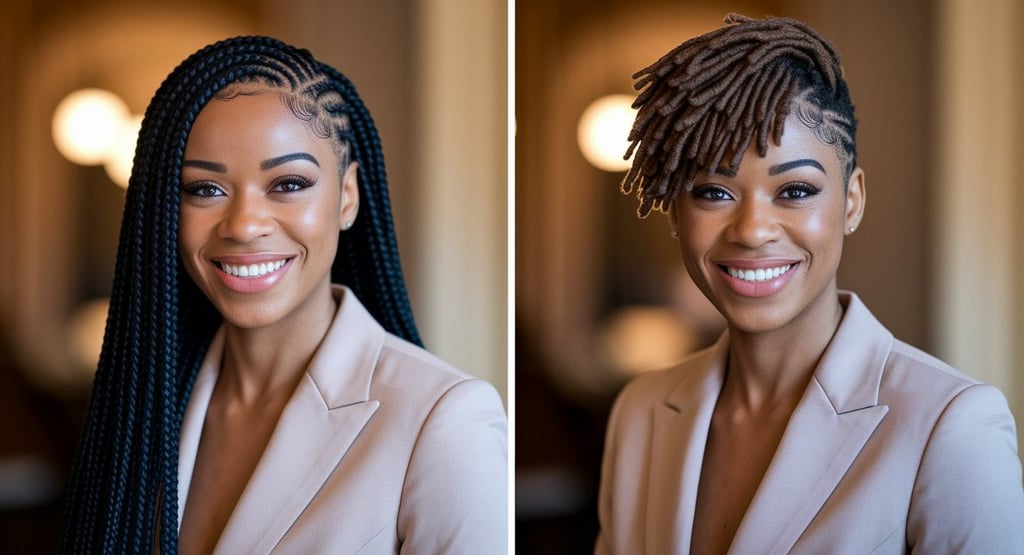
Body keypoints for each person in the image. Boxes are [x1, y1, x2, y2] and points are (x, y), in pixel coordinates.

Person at [596, 14, 1024, 554]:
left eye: (795, 191)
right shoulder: (639, 412)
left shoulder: (952, 426)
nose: (752, 230)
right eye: (714, 192)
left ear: (852, 202)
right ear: (674, 214)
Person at [60, 36, 507, 553]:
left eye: (289, 183)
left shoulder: (446, 422)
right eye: (205, 189)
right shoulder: (144, 408)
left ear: (347, 196)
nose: (244, 225)